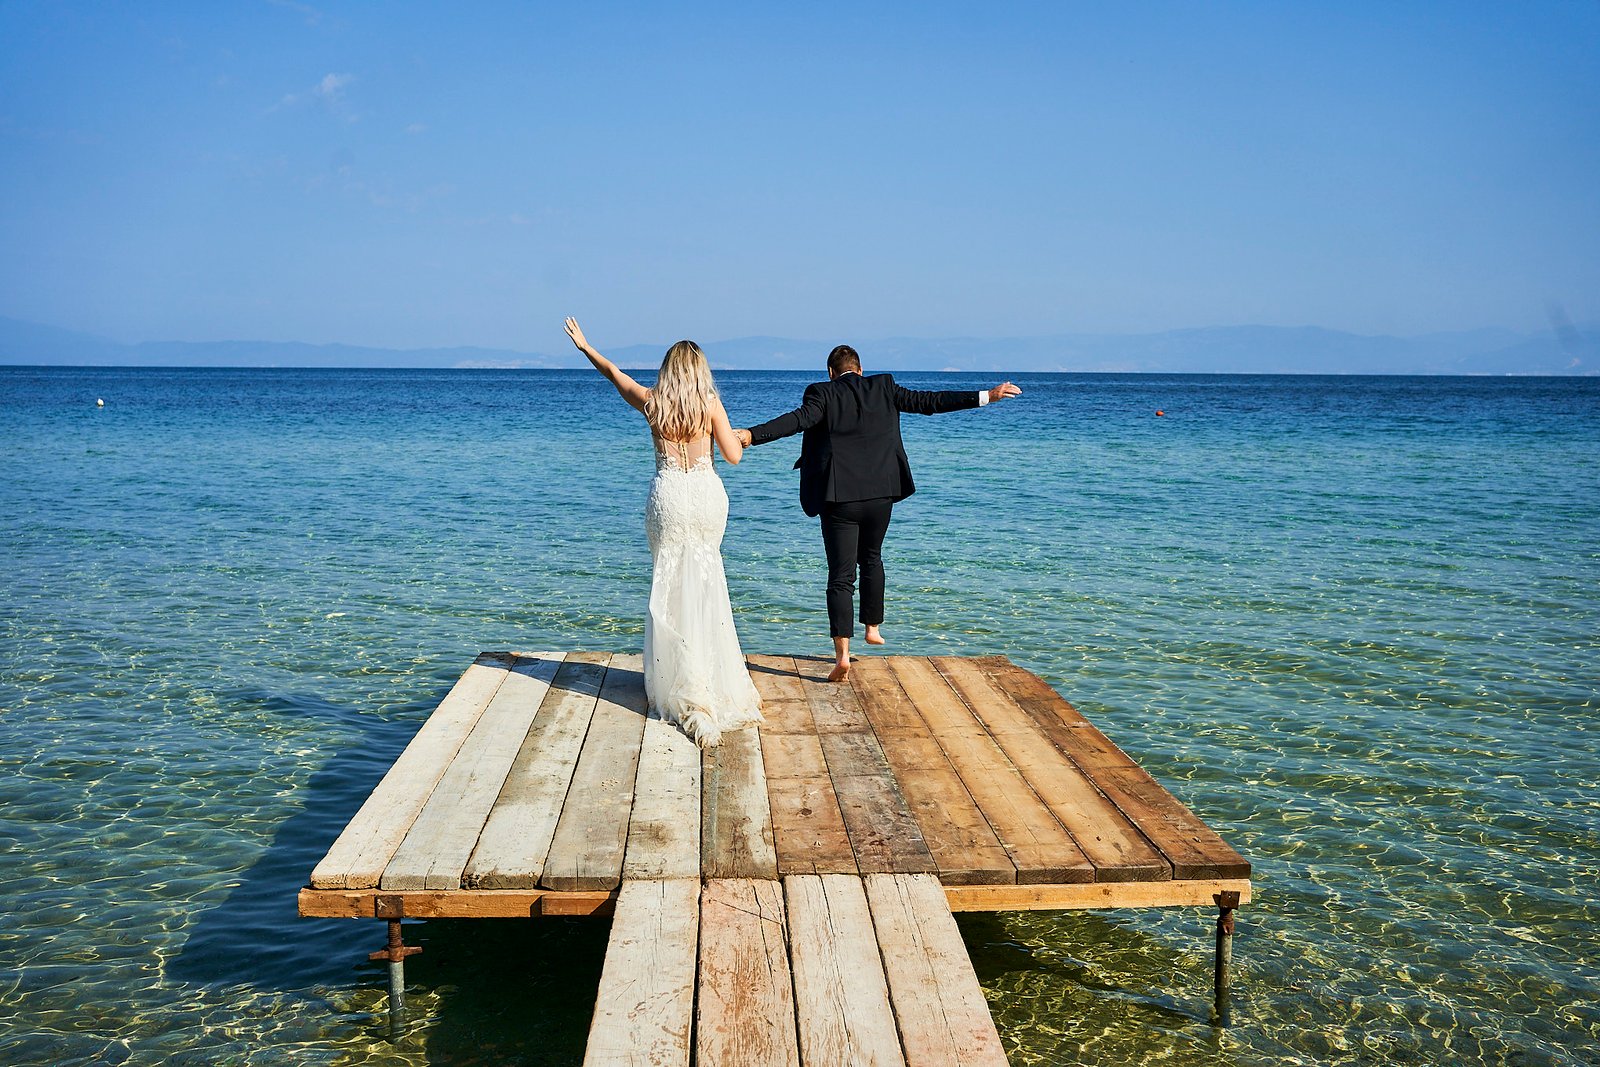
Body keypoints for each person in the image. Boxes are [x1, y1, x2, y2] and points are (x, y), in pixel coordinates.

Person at [736, 345, 1021, 681]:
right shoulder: (884, 387)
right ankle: (872, 627)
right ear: (860, 369)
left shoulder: (821, 393)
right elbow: (930, 402)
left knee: (840, 575)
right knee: (871, 558)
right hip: (880, 494)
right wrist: (986, 395)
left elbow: (797, 422)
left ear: (831, 372)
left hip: (839, 498)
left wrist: (752, 435)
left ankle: (842, 654)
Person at [564, 317, 762, 747]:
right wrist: (740, 438)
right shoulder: (710, 403)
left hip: (668, 497)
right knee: (708, 581)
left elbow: (615, 374)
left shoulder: (652, 402)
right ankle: (710, 680)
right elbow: (732, 457)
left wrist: (586, 347)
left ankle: (679, 680)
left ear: (668, 370)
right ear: (700, 370)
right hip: (706, 496)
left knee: (669, 586)